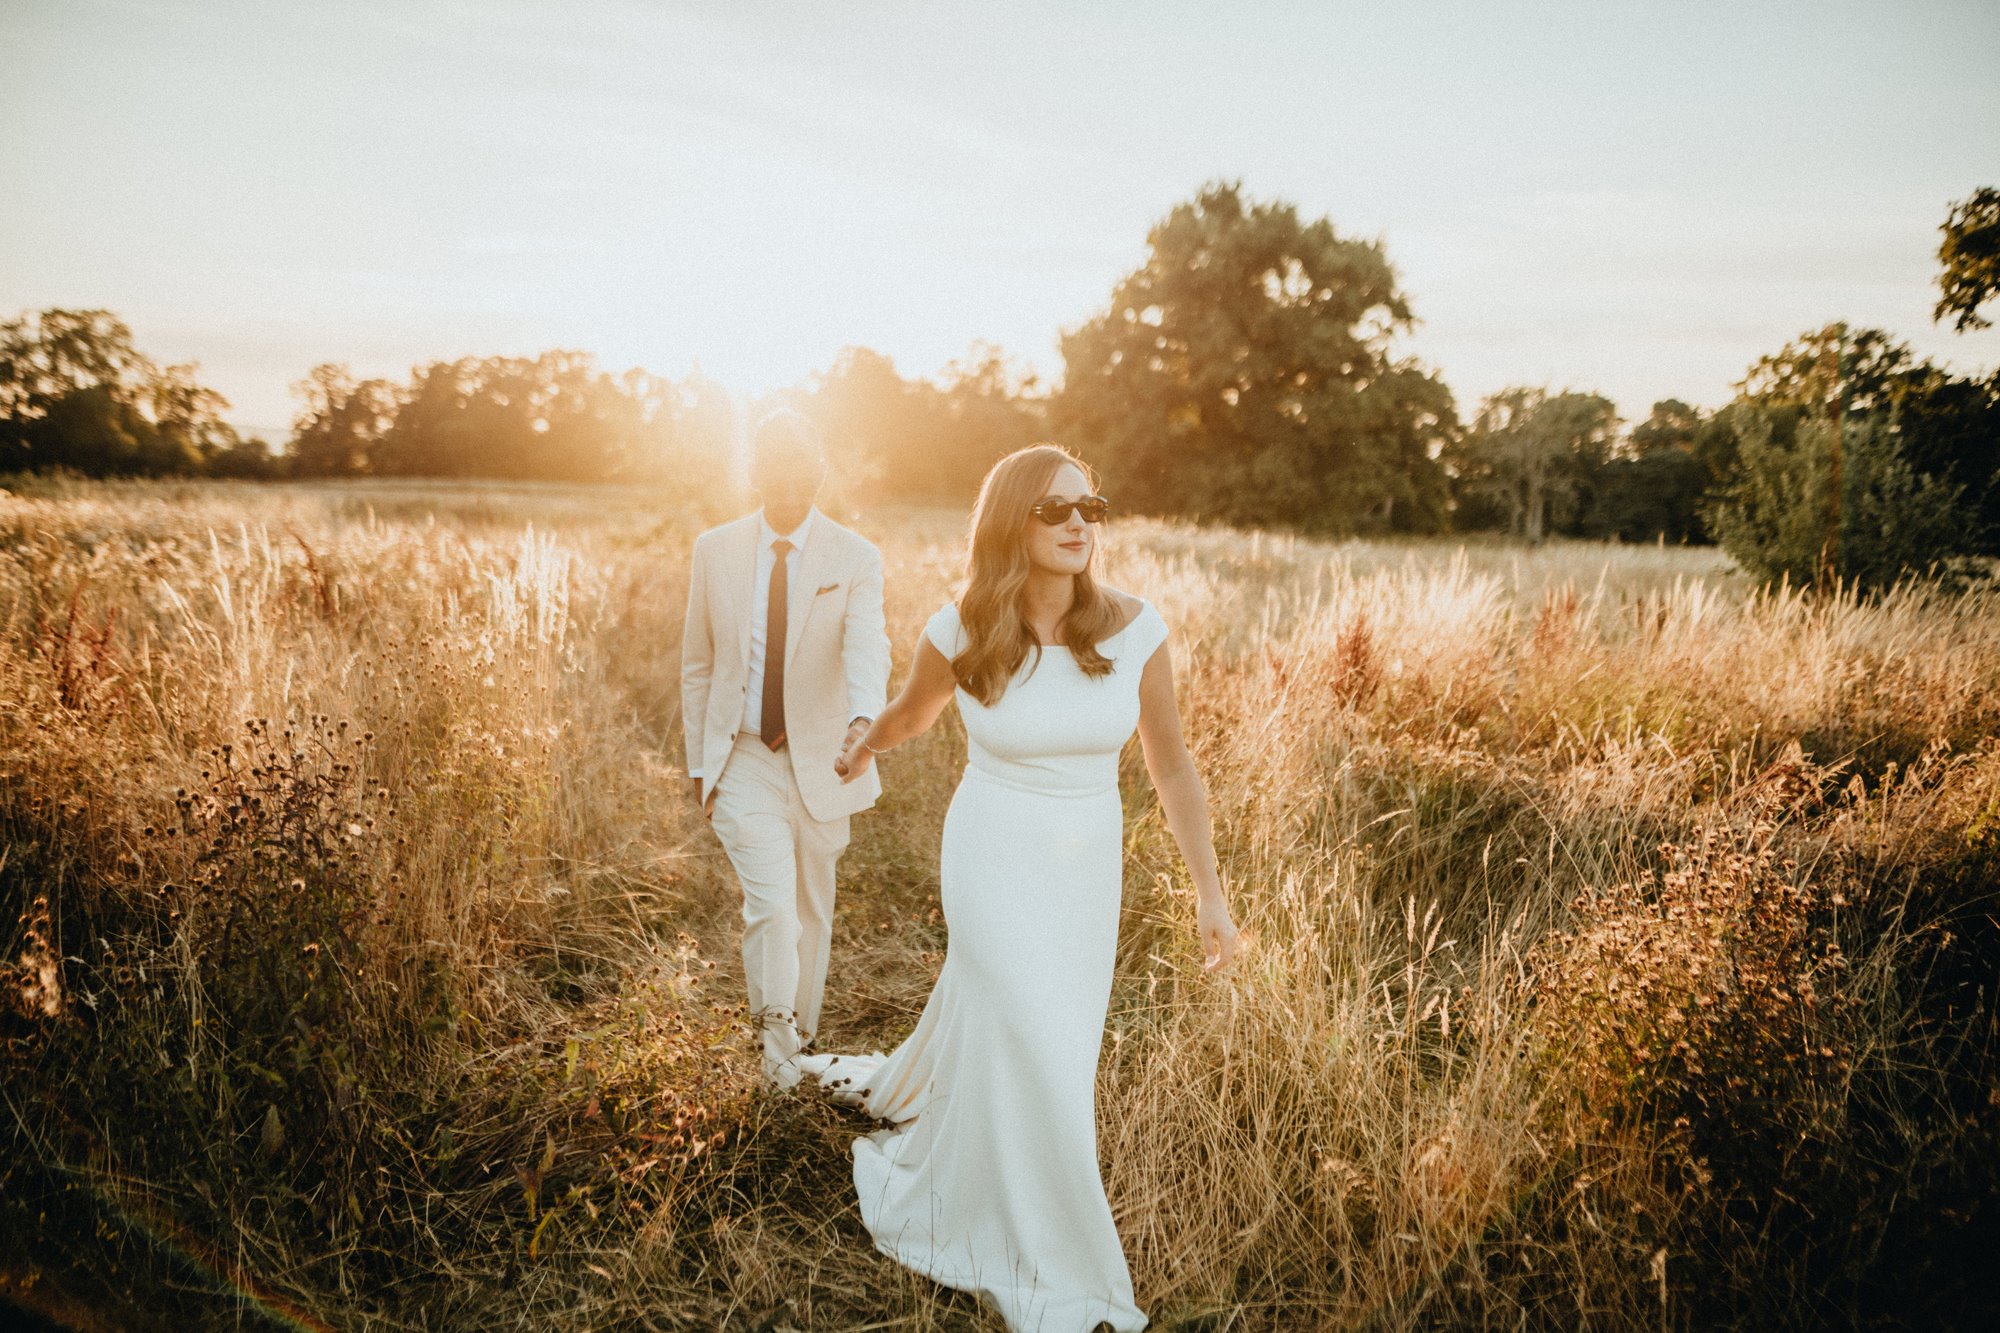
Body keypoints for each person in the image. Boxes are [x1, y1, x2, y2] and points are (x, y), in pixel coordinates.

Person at [796, 443, 1239, 1333]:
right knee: (1023, 1025)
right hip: (991, 851)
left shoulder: (1138, 628)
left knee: (1059, 1048)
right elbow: (913, 714)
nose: (1080, 522)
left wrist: (1210, 893)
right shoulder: (962, 628)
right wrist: (862, 739)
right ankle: (1056, 1251)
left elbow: (1173, 764)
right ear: (1011, 522)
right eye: (1055, 509)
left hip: (1084, 867)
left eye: (1092, 507)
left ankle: (991, 1172)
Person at [680, 410, 890, 1088]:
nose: (789, 478)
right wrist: (699, 764)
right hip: (741, 756)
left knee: (810, 912)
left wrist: (864, 719)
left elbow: (867, 646)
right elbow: (698, 664)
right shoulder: (714, 550)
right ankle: (777, 1065)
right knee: (771, 907)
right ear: (755, 472)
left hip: (827, 758)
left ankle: (801, 1043)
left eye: (803, 464)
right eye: (775, 464)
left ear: (820, 470)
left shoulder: (854, 557)